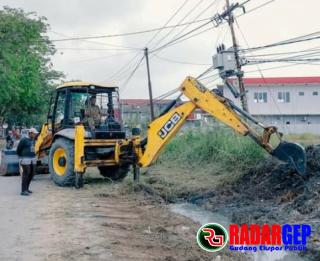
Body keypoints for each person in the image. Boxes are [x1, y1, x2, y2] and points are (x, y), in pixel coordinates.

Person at [16, 128, 38, 196]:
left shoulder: (33, 140)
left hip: (32, 158)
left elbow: (33, 148)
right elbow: (18, 149)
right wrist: (21, 156)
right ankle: (23, 191)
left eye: (35, 134)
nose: (35, 135)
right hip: (25, 159)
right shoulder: (24, 140)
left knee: (31, 174)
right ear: (30, 133)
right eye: (34, 134)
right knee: (26, 173)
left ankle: (27, 189)